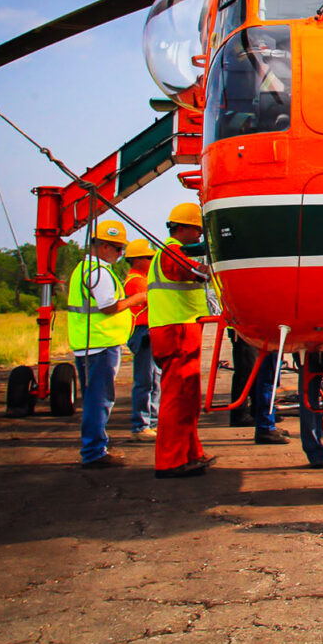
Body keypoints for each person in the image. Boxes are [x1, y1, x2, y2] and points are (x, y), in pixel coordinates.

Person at [66, 218, 144, 468]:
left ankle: (94, 448)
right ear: (103, 247)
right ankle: (94, 452)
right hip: (99, 346)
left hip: (89, 344)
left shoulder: (83, 269)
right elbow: (109, 306)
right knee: (99, 400)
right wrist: (138, 298)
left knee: (95, 399)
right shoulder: (98, 272)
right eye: (118, 249)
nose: (121, 254)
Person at [148, 202, 215, 478]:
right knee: (177, 399)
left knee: (186, 397)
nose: (198, 237)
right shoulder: (171, 252)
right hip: (176, 332)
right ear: (184, 228)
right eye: (197, 232)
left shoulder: (165, 253)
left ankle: (190, 453)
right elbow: (197, 273)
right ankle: (170, 461)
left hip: (178, 330)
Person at [121, 239, 160, 443]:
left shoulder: (141, 278)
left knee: (153, 379)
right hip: (143, 331)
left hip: (147, 330)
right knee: (146, 380)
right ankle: (142, 424)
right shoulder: (136, 281)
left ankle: (151, 422)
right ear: (137, 260)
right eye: (149, 257)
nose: (152, 261)